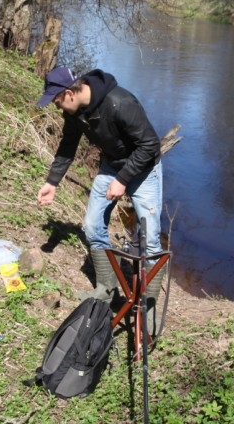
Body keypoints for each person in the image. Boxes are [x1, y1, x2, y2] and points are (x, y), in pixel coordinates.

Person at [35, 66, 166, 320]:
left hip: (144, 168)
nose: (56, 106)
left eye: (56, 101)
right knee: (92, 227)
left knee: (150, 241)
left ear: (69, 93)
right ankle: (106, 291)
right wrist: (52, 182)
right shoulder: (75, 112)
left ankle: (148, 308)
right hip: (112, 165)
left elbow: (150, 145)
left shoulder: (120, 103)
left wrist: (123, 179)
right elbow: (67, 145)